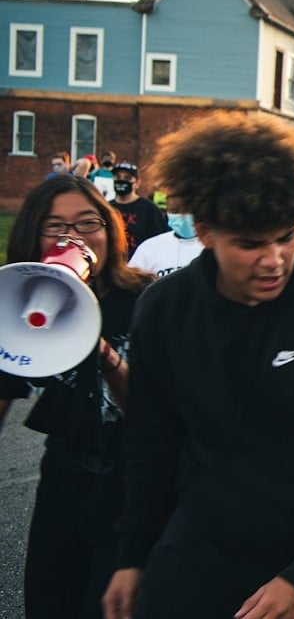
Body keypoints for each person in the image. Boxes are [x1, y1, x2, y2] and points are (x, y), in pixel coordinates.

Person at [101, 112, 294, 619]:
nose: (274, 259)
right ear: (206, 232)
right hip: (204, 551)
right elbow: (152, 444)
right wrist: (132, 554)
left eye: (286, 235)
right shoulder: (165, 310)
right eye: (250, 243)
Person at [0, 174, 153, 618]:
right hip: (65, 480)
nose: (73, 237)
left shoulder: (146, 298)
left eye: (88, 223)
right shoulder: (19, 300)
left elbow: (150, 414)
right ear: (34, 234)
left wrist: (100, 350)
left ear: (110, 229)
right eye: (56, 227)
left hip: (133, 487)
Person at [127, 199, 203, 278]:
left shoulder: (212, 245)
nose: (182, 216)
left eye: (187, 211)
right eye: (175, 211)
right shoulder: (149, 247)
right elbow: (132, 282)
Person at [108, 162, 168, 259]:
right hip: (113, 265)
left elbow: (160, 240)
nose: (121, 181)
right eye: (118, 177)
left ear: (137, 183)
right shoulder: (106, 208)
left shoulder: (149, 208)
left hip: (140, 265)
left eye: (127, 178)